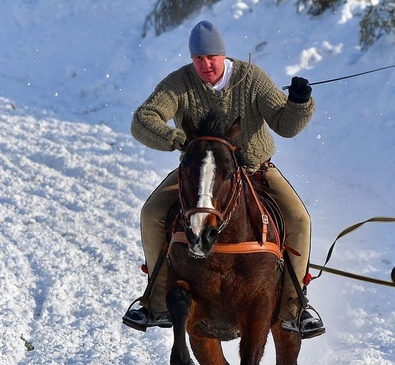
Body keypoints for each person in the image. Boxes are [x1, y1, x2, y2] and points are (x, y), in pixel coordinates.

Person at [122, 20, 325, 339]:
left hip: (256, 169)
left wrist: (299, 104)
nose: (205, 65)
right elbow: (142, 121)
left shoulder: (252, 79)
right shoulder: (179, 84)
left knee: (299, 219)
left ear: (223, 55)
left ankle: (293, 307)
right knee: (151, 213)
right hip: (199, 171)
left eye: (211, 57)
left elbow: (284, 125)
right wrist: (178, 139)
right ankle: (156, 301)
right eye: (198, 59)